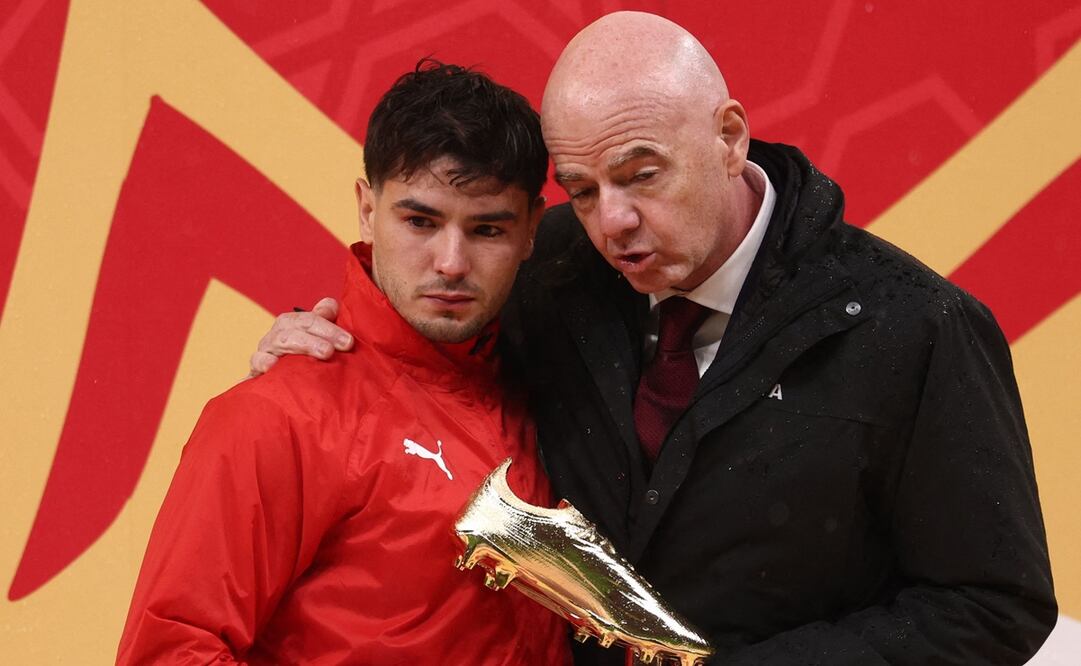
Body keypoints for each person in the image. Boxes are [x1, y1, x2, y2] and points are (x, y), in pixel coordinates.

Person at [252, 12, 1056, 665]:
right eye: (581, 189)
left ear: (729, 136)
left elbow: (993, 606)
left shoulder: (917, 328)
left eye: (641, 175)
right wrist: (324, 352)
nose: (612, 222)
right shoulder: (550, 266)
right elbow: (427, 356)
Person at [117, 60, 570, 665]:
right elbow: (170, 650)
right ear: (366, 209)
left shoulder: (554, 374)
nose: (451, 262)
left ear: (533, 228)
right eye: (420, 221)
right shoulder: (279, 417)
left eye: (487, 230)